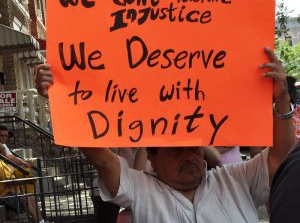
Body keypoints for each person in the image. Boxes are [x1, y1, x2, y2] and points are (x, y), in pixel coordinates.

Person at [35, 47, 296, 222]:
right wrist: (60, 100)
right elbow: (102, 159)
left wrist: (282, 99)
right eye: (176, 150)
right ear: (153, 157)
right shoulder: (139, 187)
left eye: (194, 148)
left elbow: (280, 156)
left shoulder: (235, 179)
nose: (190, 156)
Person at [0, 125, 43, 223]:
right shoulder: (1, 163)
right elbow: (10, 158)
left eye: (6, 136)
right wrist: (23, 163)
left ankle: (42, 221)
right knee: (27, 199)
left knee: (31, 197)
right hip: (5, 194)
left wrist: (24, 162)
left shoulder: (3, 152)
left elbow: (10, 156)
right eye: (1, 136)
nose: (4, 138)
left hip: (10, 191)